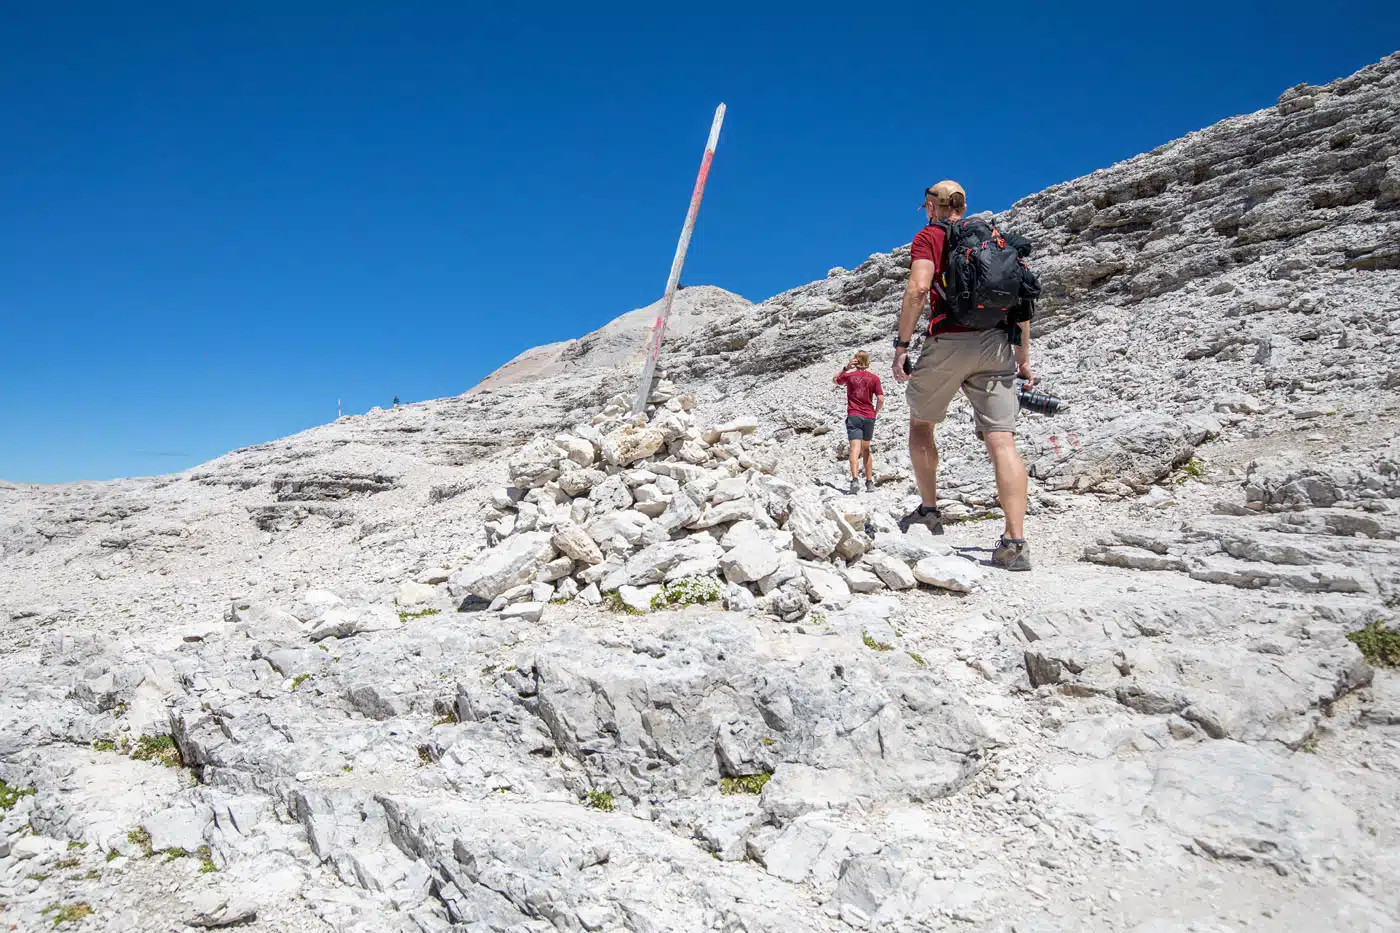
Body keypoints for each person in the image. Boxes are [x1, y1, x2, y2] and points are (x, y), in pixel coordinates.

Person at [891, 180, 1034, 571]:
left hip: (949, 340)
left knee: (922, 423)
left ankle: (929, 511)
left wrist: (901, 346)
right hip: (997, 345)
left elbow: (918, 289)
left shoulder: (929, 236)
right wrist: (1023, 360)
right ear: (964, 205)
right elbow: (1022, 302)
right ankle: (1015, 541)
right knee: (1002, 441)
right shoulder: (997, 240)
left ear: (930, 206)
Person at [834, 350, 883, 494]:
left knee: (854, 448)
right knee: (866, 449)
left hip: (854, 415)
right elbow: (880, 399)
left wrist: (846, 368)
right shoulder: (874, 378)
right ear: (868, 362)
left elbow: (835, 380)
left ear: (855, 361)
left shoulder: (849, 376)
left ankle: (855, 480)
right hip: (869, 416)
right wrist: (875, 412)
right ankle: (869, 483)